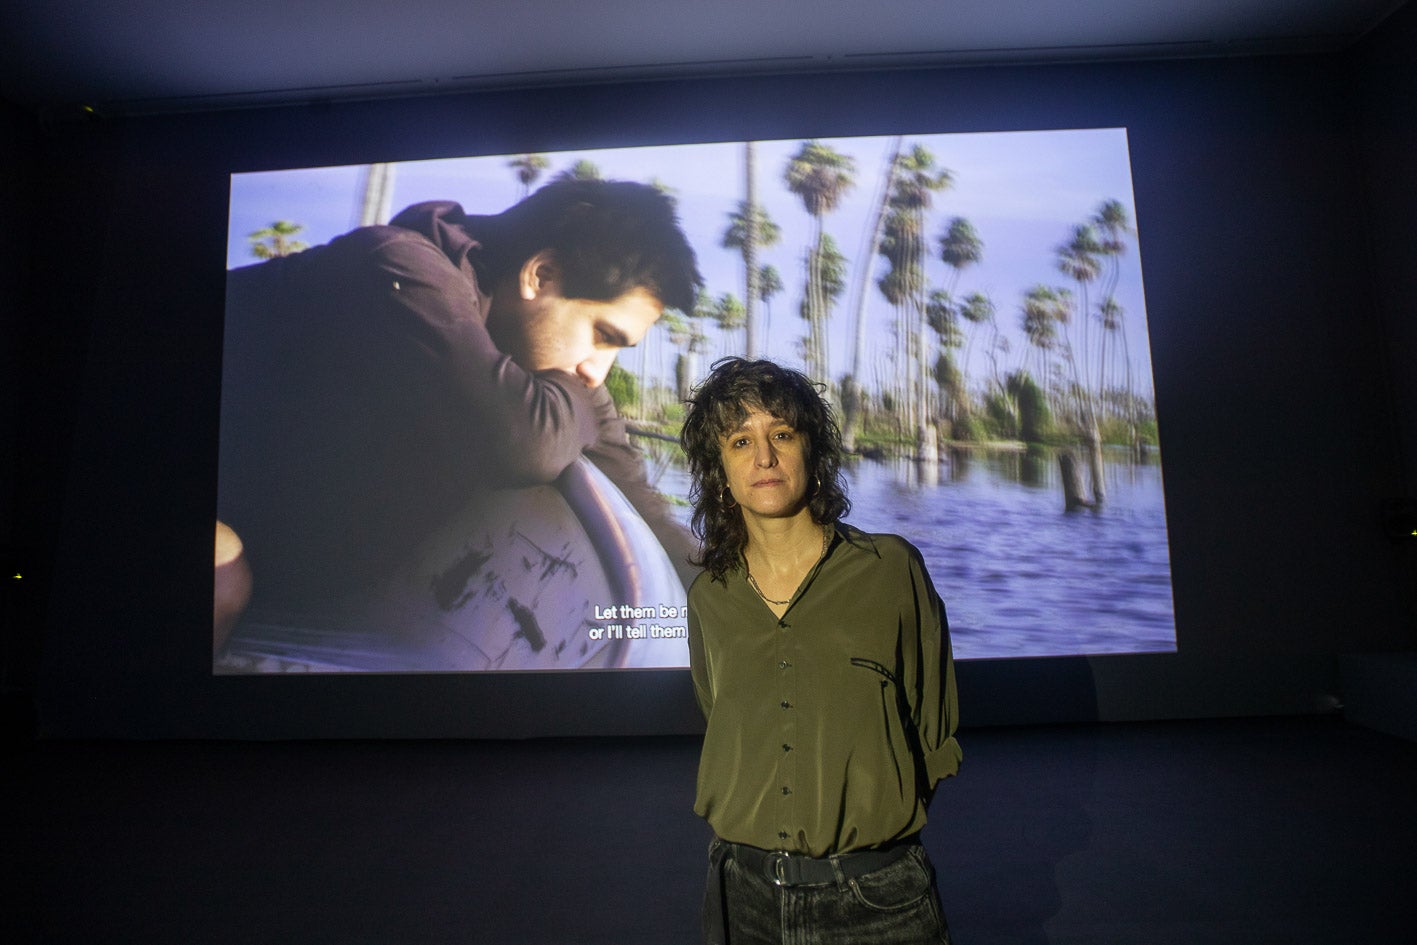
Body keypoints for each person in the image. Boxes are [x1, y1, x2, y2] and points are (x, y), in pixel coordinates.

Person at [217, 179, 702, 661]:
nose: (597, 371)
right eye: (602, 334)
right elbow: (522, 442)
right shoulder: (397, 268)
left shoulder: (549, 362)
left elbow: (641, 501)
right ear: (541, 274)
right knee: (221, 576)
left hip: (280, 566)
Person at [680, 358, 961, 945]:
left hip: (877, 900)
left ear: (812, 448)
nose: (764, 458)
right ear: (718, 470)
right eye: (740, 441)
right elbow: (722, 715)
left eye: (781, 434)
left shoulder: (891, 570)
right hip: (743, 899)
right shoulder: (710, 595)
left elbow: (930, 729)